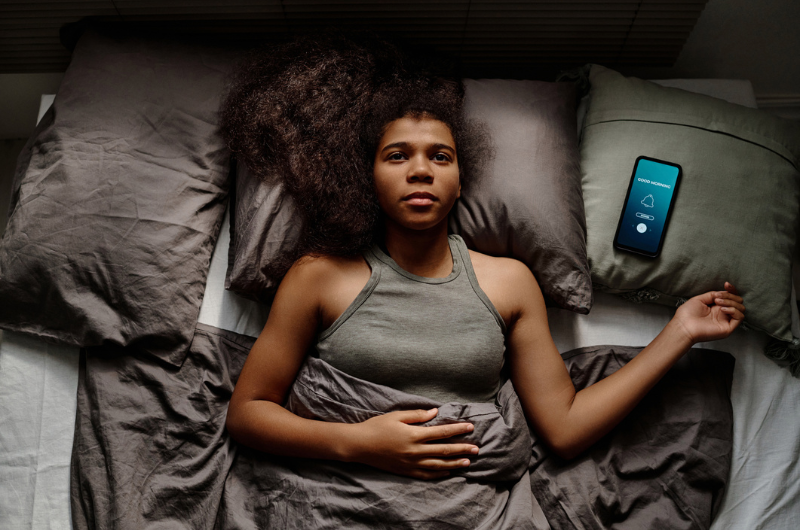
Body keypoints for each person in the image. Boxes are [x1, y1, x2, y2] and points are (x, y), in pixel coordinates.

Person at [221, 36, 745, 481]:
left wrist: (680, 332)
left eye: (439, 156)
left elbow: (564, 428)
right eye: (397, 155)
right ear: (369, 176)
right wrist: (358, 442)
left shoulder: (509, 283)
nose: (420, 170)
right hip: (341, 493)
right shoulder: (318, 276)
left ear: (460, 178)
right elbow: (247, 414)